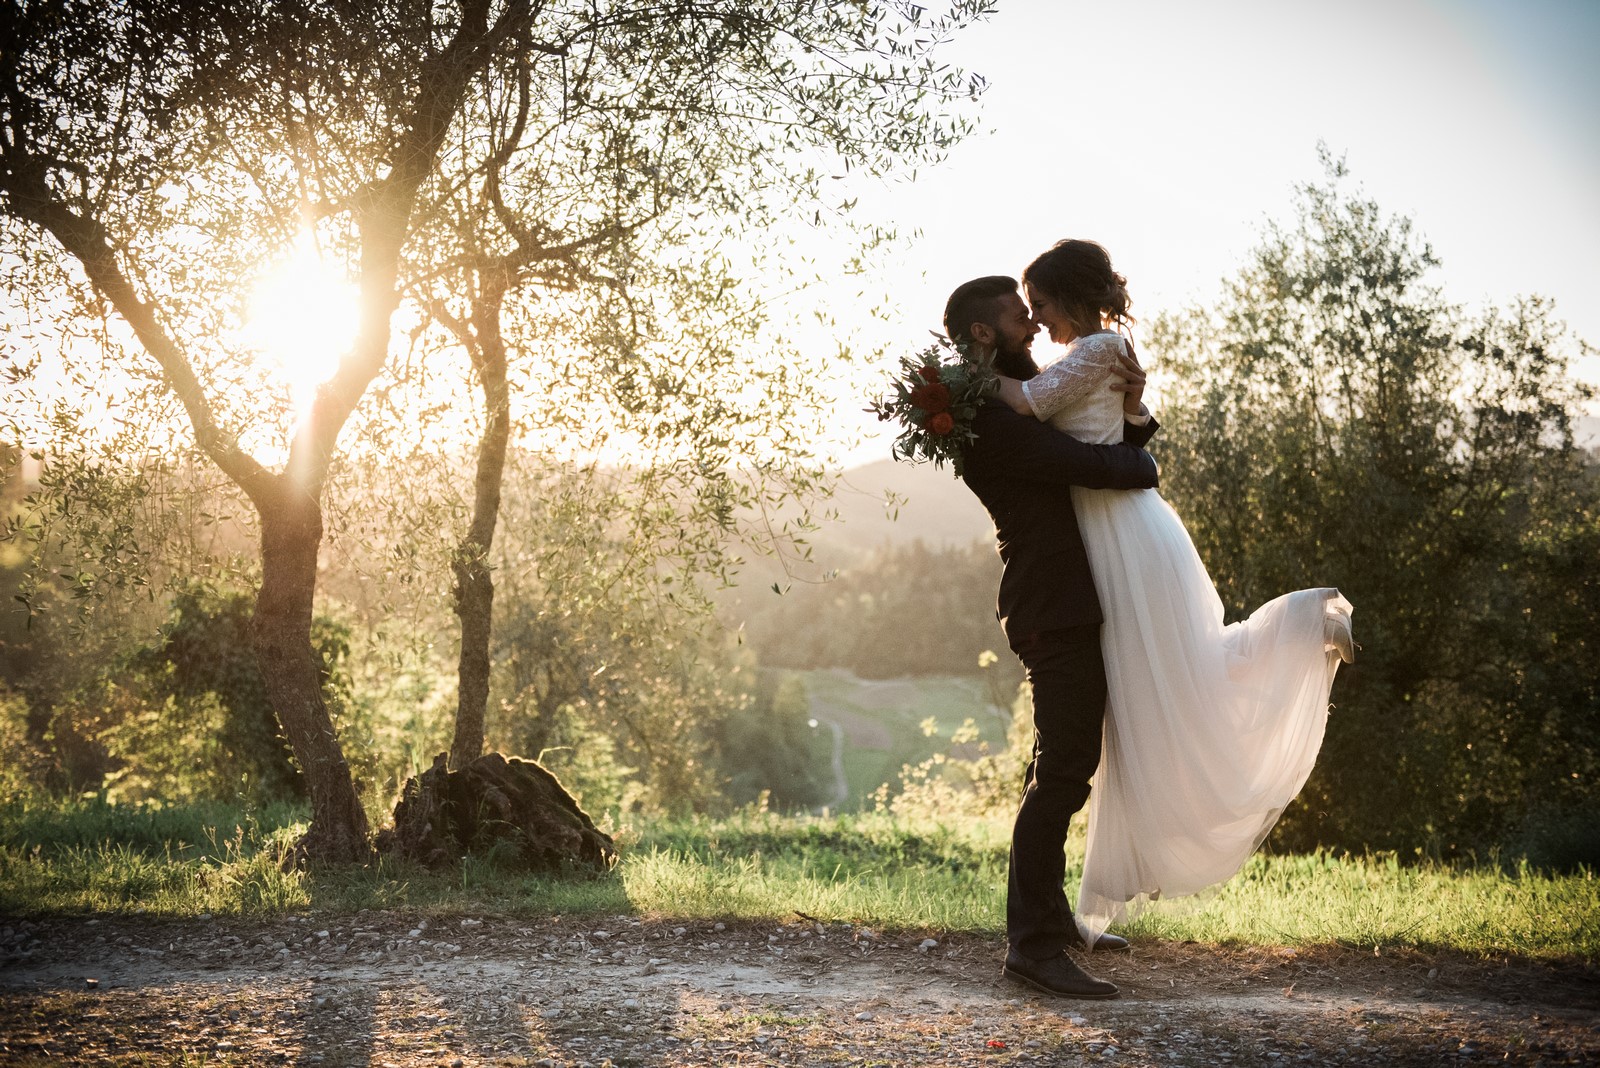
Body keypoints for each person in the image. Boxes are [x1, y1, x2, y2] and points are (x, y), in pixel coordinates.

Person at [994, 239, 1354, 952]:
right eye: (1028, 310)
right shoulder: (1105, 351)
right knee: (1160, 677)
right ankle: (1307, 620)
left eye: (1041, 305)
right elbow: (1116, 427)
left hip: (1120, 532)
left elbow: (1030, 404)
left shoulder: (1095, 348)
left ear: (1069, 296)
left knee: (1175, 670)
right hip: (1114, 532)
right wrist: (1134, 406)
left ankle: (1309, 614)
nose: (1039, 321)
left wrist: (957, 382)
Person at [947, 274, 1160, 1000]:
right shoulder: (986, 416)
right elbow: (1082, 466)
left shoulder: (1017, 395)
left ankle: (1050, 919)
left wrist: (1133, 412)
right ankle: (1031, 947)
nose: (1032, 324)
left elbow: (1090, 443)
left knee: (1064, 762)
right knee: (1064, 768)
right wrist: (1147, 463)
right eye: (1017, 316)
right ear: (983, 333)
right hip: (1051, 602)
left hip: (1072, 595)